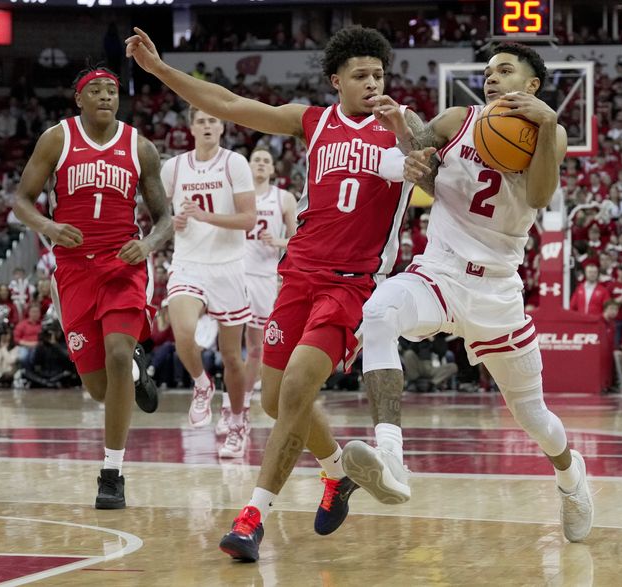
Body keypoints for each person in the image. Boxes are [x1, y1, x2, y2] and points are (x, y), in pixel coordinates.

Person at [126, 25, 417, 560]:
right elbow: (231, 103)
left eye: (379, 74)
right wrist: (163, 72)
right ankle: (335, 475)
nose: (373, 83)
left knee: (299, 390)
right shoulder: (315, 121)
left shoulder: (400, 124)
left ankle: (251, 516)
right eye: (361, 75)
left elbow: (427, 160)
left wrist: (407, 135)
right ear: (337, 81)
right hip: (299, 275)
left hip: (351, 285)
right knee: (274, 399)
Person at [340, 42, 594, 544]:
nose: (492, 77)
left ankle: (570, 476)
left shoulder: (553, 133)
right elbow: (425, 163)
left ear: (533, 85)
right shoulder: (458, 118)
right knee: (380, 312)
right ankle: (390, 455)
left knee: (534, 419)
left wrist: (545, 125)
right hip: (439, 269)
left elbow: (541, 195)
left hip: (497, 288)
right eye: (488, 71)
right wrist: (405, 141)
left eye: (505, 70)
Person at [12, 65, 172, 509]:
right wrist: (48, 225)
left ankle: (112, 472)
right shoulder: (56, 139)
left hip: (123, 264)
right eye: (95, 90)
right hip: (73, 269)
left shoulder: (140, 146)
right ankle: (137, 373)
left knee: (118, 353)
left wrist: (149, 244)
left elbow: (164, 219)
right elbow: (22, 200)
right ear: (78, 98)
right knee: (101, 388)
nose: (105, 95)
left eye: (111, 90)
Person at [160, 106, 257, 459]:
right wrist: (176, 221)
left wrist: (204, 216)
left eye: (212, 120)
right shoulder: (174, 167)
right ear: (190, 127)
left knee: (232, 356)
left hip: (229, 267)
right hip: (188, 264)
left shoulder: (235, 163)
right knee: (183, 331)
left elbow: (248, 219)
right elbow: (160, 218)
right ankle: (202, 384)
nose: (207, 125)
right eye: (200, 120)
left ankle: (236, 421)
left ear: (222, 127)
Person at [241, 147, 297, 411]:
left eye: (266, 161)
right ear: (249, 166)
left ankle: (254, 389)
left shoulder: (283, 198)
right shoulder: (238, 196)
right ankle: (237, 392)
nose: (261, 164)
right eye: (257, 160)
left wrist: (278, 241)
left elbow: (299, 240)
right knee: (230, 339)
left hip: (265, 277)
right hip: (236, 274)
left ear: (273, 169)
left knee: (257, 344)